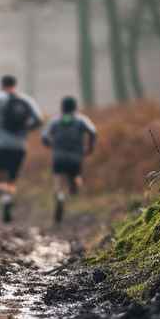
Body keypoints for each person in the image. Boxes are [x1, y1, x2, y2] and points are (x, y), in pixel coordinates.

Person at [0, 75, 42, 223]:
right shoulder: (26, 100)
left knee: (0, 174)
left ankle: (2, 193)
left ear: (2, 85)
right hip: (19, 145)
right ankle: (8, 198)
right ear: (15, 84)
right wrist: (26, 128)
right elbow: (39, 119)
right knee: (12, 177)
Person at [42, 96, 97, 224]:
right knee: (76, 177)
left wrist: (50, 145)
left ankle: (60, 197)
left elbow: (44, 136)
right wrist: (90, 147)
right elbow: (93, 132)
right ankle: (74, 187)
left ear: (62, 107)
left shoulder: (55, 120)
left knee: (58, 182)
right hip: (76, 156)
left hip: (58, 157)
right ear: (75, 107)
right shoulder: (81, 120)